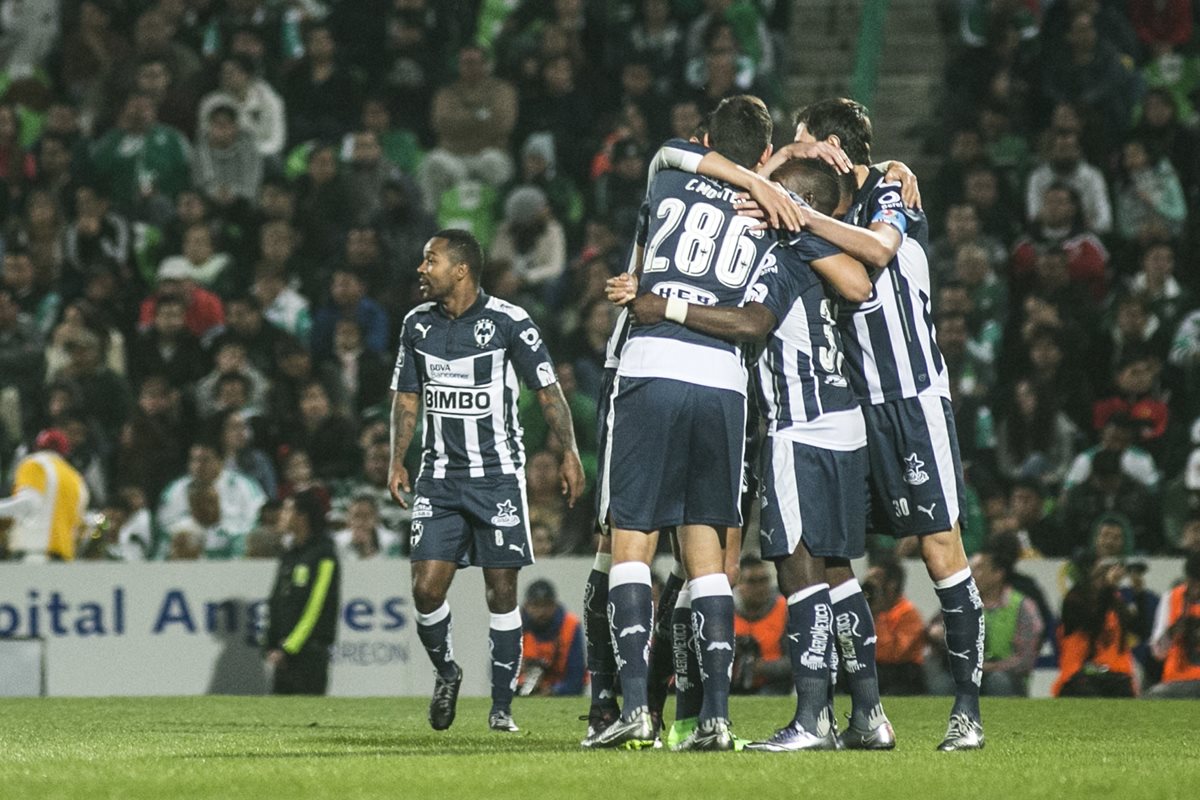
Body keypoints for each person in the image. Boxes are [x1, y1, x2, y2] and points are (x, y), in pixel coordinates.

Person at [616, 154, 894, 750]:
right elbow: (858, 281)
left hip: (800, 425)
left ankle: (811, 720)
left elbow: (750, 323)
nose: (758, 197)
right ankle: (869, 715)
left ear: (794, 204)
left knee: (800, 576)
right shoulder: (811, 249)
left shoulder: (783, 251)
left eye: (775, 192)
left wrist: (664, 305)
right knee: (841, 573)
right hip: (844, 422)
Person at [781, 98, 986, 751]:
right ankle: (867, 715)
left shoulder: (891, 191)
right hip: (852, 409)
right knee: (829, 550)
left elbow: (878, 253)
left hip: (912, 400)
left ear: (836, 148)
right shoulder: (829, 206)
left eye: (803, 142)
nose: (796, 151)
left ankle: (968, 713)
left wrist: (804, 220)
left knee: (939, 550)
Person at [593, 96, 789, 752]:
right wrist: (767, 182)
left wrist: (659, 300)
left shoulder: (668, 175)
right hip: (724, 386)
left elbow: (675, 151)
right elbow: (758, 321)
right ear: (763, 154)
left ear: (707, 138)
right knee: (708, 555)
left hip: (651, 369)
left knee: (633, 545)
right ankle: (715, 719)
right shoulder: (773, 218)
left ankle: (634, 712)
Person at [387, 230, 584, 734]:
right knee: (426, 591)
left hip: (497, 478)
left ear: (460, 270)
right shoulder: (416, 325)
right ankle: (448, 671)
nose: (421, 268)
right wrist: (396, 459)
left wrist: (569, 452)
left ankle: (501, 707)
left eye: (430, 259)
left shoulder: (509, 322)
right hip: (439, 478)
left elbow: (547, 390)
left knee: (501, 592)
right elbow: (407, 399)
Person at [265, 489, 341, 695]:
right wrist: (271, 643)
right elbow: (276, 601)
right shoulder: (289, 555)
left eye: (287, 510)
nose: (282, 515)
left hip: (310, 654)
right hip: (283, 654)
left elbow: (316, 606)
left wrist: (290, 648)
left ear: (302, 517)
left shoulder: (324, 554)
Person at [1053, 554, 1137, 698]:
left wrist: (1139, 594)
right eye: (1099, 574)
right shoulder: (1073, 599)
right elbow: (1093, 624)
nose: (1103, 578)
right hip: (1077, 674)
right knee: (1091, 694)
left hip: (1109, 672)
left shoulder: (1113, 598)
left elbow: (1136, 630)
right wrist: (1109, 589)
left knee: (1123, 691)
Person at [969, 542, 1044, 696]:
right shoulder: (963, 603)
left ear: (998, 574)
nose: (972, 574)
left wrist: (991, 667)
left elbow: (1025, 659)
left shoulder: (1023, 607)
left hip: (1009, 676)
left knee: (998, 681)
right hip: (970, 671)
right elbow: (937, 627)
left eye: (979, 568)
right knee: (943, 683)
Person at [0, 429, 88, 561]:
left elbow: (28, 503)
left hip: (34, 553)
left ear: (37, 447)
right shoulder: (76, 479)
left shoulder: (35, 464)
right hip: (64, 556)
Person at [864, 555, 927, 696]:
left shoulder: (908, 614)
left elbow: (893, 654)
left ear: (891, 585)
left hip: (901, 674)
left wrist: (878, 615)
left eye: (875, 580)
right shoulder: (863, 611)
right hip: (873, 669)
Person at [730, 557, 790, 697]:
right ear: (738, 584)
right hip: (731, 687)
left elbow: (797, 662)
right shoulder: (724, 613)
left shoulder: (784, 610)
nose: (759, 587)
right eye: (752, 582)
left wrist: (760, 668)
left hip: (774, 686)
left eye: (764, 580)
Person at [517, 579, 586, 697]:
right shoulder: (514, 626)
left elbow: (576, 677)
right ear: (526, 606)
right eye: (535, 605)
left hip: (560, 692)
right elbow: (499, 672)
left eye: (546, 605)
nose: (541, 611)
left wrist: (553, 691)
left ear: (555, 605)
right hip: (522, 692)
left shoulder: (570, 625)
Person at [1147, 551, 1200, 698]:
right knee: (1150, 699)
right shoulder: (1171, 597)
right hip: (1176, 680)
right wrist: (1171, 632)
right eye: (1193, 583)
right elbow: (1157, 653)